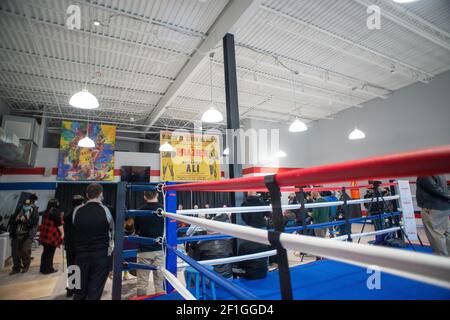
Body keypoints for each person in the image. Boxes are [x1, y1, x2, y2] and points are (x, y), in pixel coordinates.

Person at [73, 183, 114, 300]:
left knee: (79, 289)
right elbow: (112, 232)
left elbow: (74, 229)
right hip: (100, 255)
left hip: (80, 255)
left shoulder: (77, 211)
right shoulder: (106, 210)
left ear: (86, 195)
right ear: (101, 194)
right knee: (95, 291)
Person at [134, 191, 165, 296]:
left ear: (144, 196)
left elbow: (136, 230)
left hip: (144, 249)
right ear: (157, 195)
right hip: (160, 249)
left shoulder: (139, 211)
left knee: (142, 282)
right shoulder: (164, 211)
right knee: (159, 282)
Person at [189, 215, 233, 279]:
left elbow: (194, 261)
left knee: (187, 272)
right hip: (228, 278)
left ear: (207, 231)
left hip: (212, 280)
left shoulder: (201, 245)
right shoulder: (228, 241)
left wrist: (192, 248)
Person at [416, 175, 450, 256]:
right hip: (443, 207)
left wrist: (448, 196)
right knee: (446, 233)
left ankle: (442, 261)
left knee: (436, 235)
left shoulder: (425, 172)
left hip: (432, 207)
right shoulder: (438, 170)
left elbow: (433, 187)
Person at [8, 197, 39, 275]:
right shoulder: (18, 210)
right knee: (14, 252)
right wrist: (16, 220)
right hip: (16, 234)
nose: (26, 206)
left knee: (25, 251)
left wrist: (26, 220)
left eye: (28, 204)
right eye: (25, 204)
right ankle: (16, 267)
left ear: (31, 204)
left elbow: (34, 222)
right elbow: (12, 221)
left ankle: (26, 266)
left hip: (27, 235)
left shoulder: (34, 211)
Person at [63, 195, 84, 297]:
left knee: (71, 267)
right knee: (81, 267)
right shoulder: (82, 214)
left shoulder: (67, 213)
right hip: (80, 246)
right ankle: (79, 290)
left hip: (69, 245)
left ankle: (71, 289)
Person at [39, 199, 64, 274]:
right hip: (51, 236)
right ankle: (48, 269)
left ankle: (43, 269)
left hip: (44, 235)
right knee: (50, 253)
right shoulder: (55, 212)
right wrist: (63, 233)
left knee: (45, 252)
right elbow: (59, 224)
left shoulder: (45, 212)